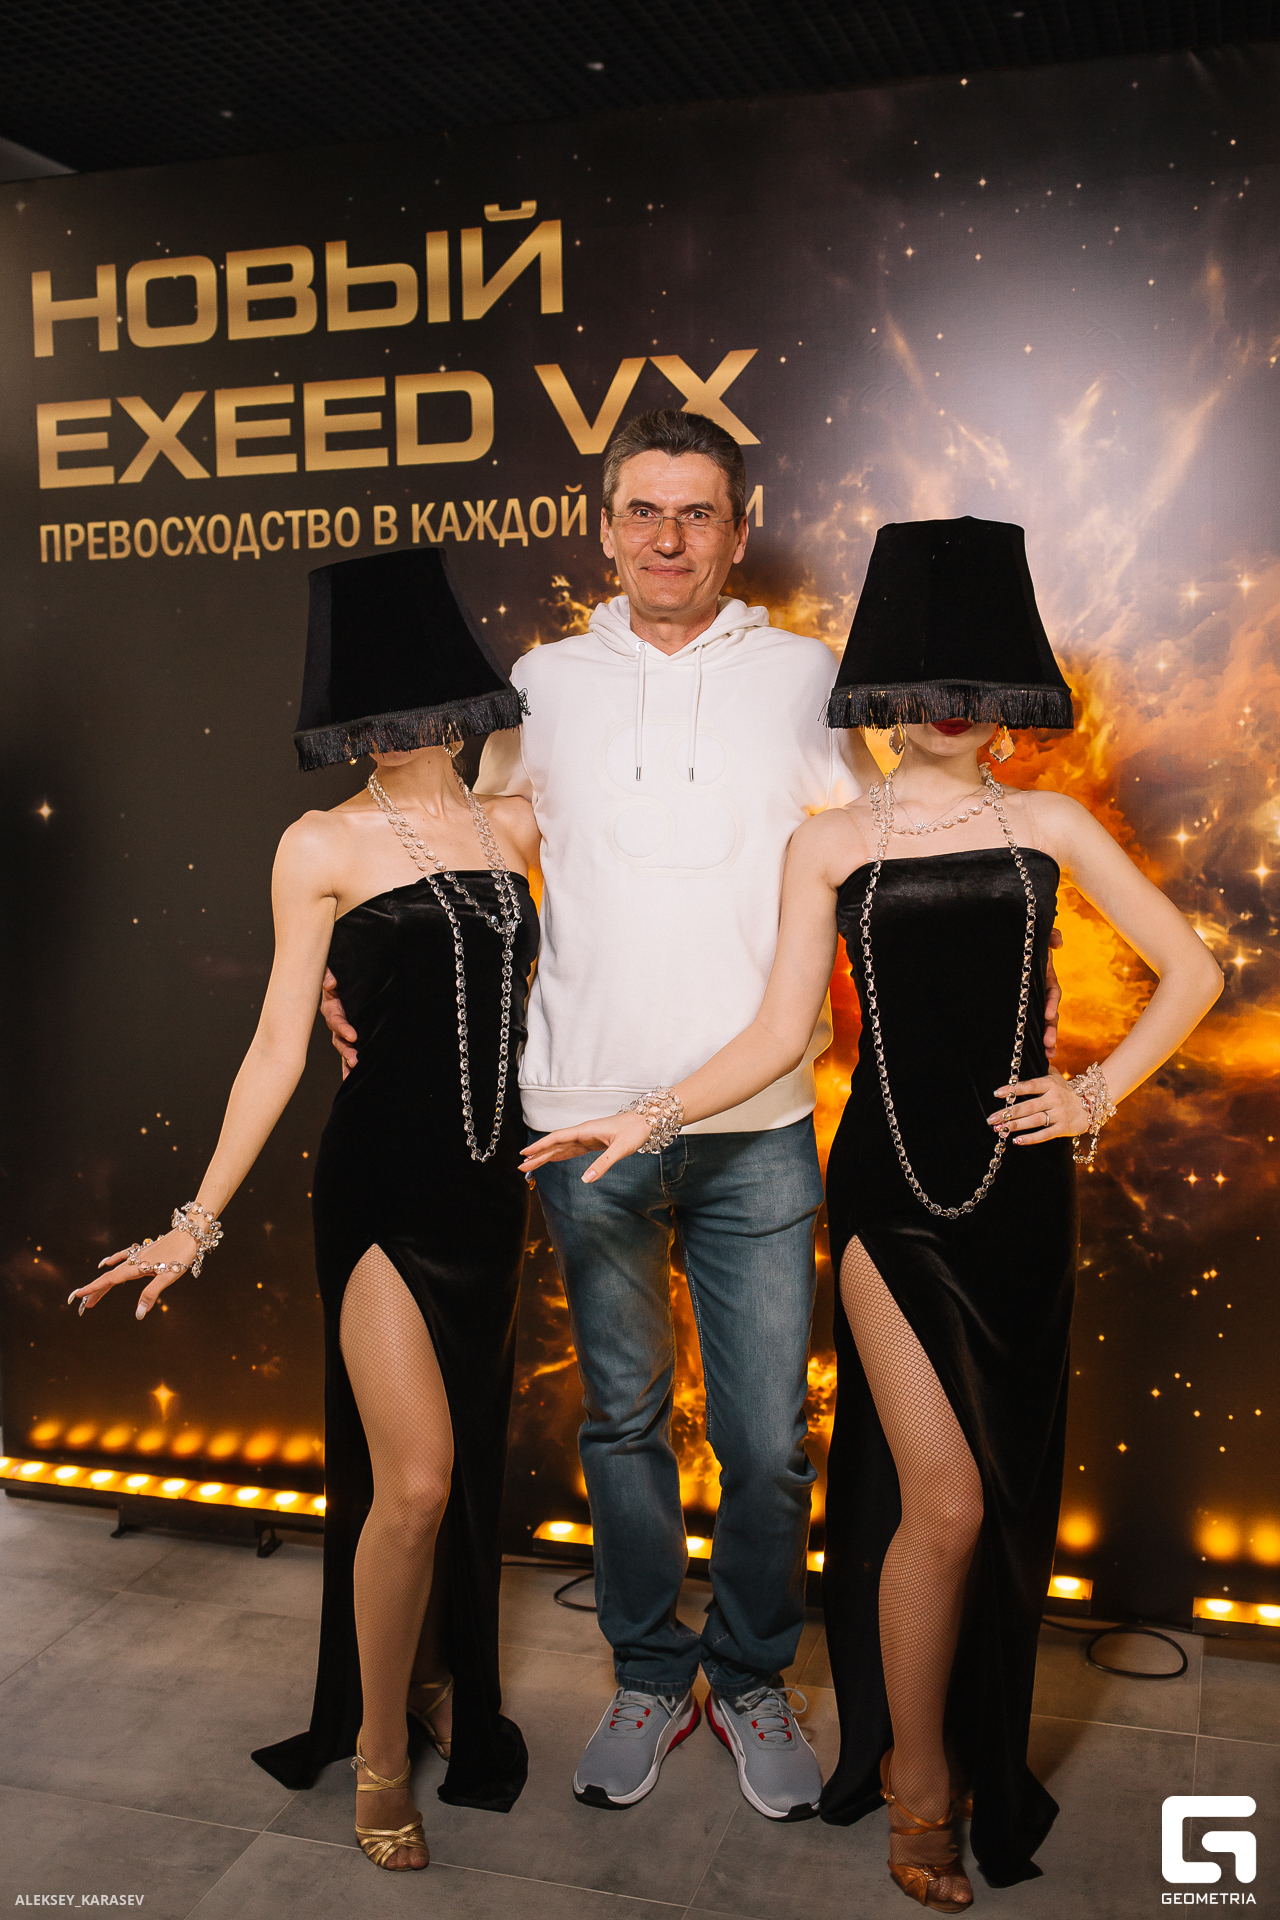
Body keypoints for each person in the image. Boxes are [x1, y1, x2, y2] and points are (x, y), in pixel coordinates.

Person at [521, 516, 1223, 1905]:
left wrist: (1094, 1093)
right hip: (888, 1203)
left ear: (1004, 699)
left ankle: (945, 1742)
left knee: (995, 1501)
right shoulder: (830, 842)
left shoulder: (1050, 824)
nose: (944, 709)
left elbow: (1193, 973)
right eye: (919, 685)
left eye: (970, 687)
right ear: (883, 695)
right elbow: (778, 1030)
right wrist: (651, 1113)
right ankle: (919, 1781)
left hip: (1019, 1208)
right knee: (942, 1501)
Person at [324, 406, 891, 1821]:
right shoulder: (541, 682)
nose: (668, 538)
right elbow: (458, 851)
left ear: (740, 532)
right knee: (624, 1426)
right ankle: (648, 1671)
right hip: (579, 1125)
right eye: (644, 509)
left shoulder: (804, 678)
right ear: (605, 526)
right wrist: (356, 982)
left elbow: (885, 855)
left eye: (698, 513)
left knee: (767, 1442)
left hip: (758, 1122)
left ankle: (750, 1678)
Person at [70, 549, 541, 1873]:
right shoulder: (321, 843)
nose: (387, 731)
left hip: (491, 1194)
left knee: (457, 1485)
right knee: (417, 1482)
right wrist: (197, 1220)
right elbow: (282, 1040)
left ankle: (437, 1677)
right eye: (363, 711)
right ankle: (381, 1752)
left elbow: (551, 1004)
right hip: (382, 1194)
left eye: (411, 702)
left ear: (455, 694)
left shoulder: (518, 828)